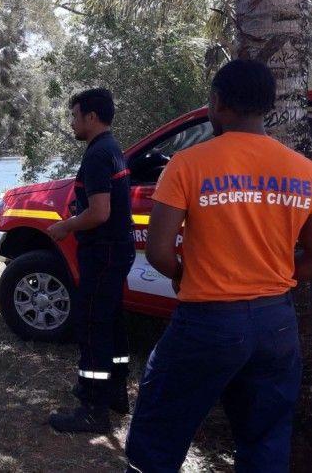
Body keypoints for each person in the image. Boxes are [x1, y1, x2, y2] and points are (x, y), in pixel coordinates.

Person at [125, 59, 312, 472]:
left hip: (207, 321)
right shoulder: (304, 170)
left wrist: (181, 275)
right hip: (276, 325)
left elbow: (158, 251)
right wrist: (288, 280)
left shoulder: (189, 163)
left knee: (159, 433)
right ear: (267, 105)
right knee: (264, 441)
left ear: (216, 102)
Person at [45, 88, 135, 434]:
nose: (72, 123)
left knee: (93, 326)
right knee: (111, 321)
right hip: (117, 249)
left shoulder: (99, 155)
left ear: (91, 117)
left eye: (74, 116)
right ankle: (116, 392)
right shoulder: (112, 150)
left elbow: (99, 212)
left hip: (103, 252)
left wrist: (65, 227)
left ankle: (92, 406)